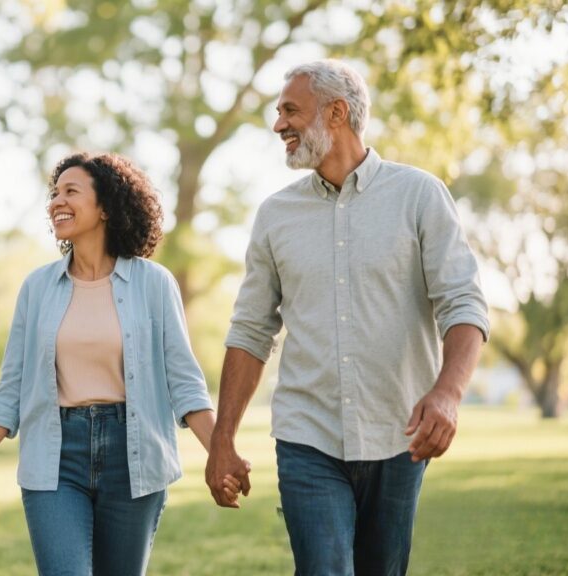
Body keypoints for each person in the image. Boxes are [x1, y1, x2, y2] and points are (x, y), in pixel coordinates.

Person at [205, 60, 490, 575]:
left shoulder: (419, 196)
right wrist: (222, 439)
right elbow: (250, 331)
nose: (278, 126)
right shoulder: (275, 215)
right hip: (306, 435)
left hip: (398, 434)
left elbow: (462, 303)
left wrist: (447, 393)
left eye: (290, 111)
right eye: (278, 113)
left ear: (336, 113)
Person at [0, 152, 243, 575]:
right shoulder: (37, 288)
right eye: (54, 194)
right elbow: (9, 394)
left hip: (134, 458)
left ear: (107, 206)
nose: (56, 201)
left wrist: (219, 452)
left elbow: (184, 385)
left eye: (70, 192)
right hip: (56, 459)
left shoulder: (154, 283)